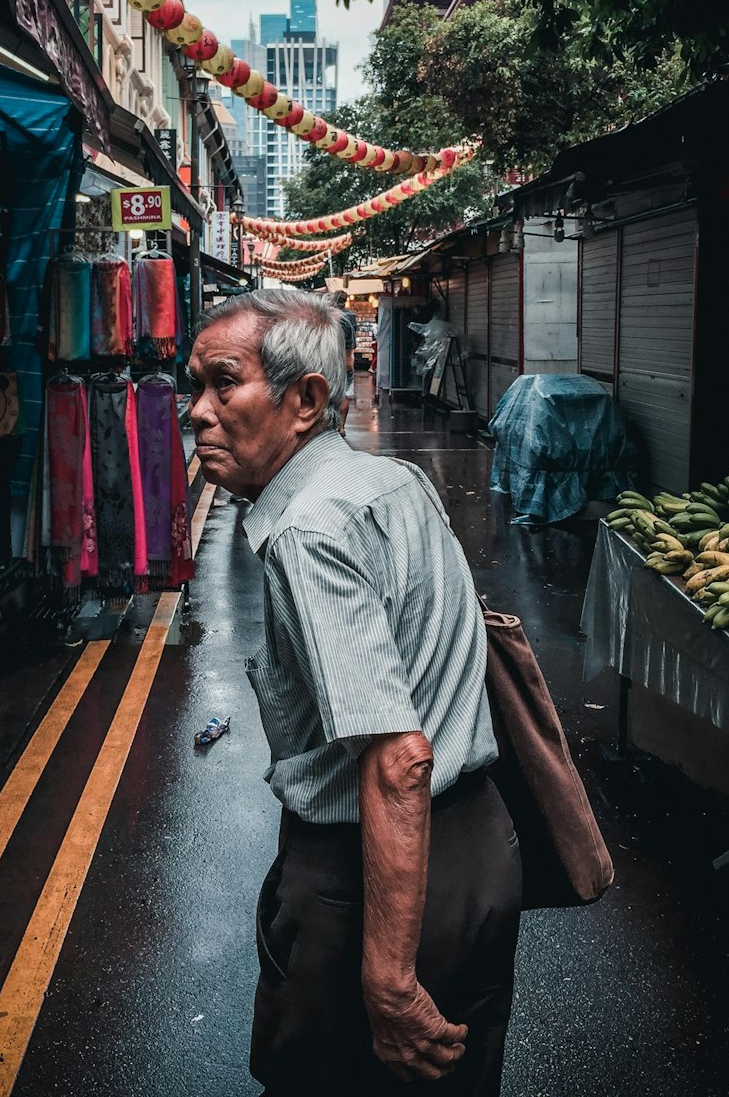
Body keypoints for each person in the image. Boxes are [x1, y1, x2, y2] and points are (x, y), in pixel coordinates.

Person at [188, 289, 521, 1096]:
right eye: (194, 385)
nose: (197, 413)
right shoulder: (393, 480)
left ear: (305, 400)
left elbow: (398, 758)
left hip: (374, 875)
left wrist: (389, 978)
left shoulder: (309, 530)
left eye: (222, 383)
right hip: (477, 854)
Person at [332, 289, 358, 433]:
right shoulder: (352, 317)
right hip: (348, 359)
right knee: (344, 394)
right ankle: (342, 426)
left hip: (334, 359)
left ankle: (333, 424)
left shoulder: (333, 316)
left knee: (333, 393)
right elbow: (353, 342)